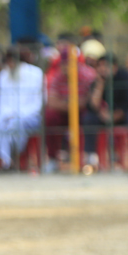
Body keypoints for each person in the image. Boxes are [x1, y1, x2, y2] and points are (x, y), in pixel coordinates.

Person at [44, 36, 97, 171]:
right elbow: (51, 102)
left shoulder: (88, 75)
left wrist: (73, 104)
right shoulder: (57, 76)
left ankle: (89, 157)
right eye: (64, 64)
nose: (66, 67)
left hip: (83, 112)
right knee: (49, 117)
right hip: (65, 112)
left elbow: (88, 101)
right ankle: (52, 158)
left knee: (90, 119)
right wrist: (71, 105)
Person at [85, 53, 128, 170]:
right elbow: (93, 106)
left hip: (125, 114)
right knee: (89, 119)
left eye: (106, 65)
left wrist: (117, 115)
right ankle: (91, 160)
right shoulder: (97, 81)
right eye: (100, 66)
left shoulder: (126, 77)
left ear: (114, 67)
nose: (103, 69)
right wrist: (100, 84)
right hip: (106, 116)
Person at [0, 46, 45, 170]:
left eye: (12, 61)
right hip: (7, 115)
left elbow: (38, 104)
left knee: (16, 124)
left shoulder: (36, 74)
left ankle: (14, 160)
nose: (10, 65)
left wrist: (17, 114)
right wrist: (8, 114)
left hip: (30, 116)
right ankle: (4, 161)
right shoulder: (3, 75)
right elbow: (2, 103)